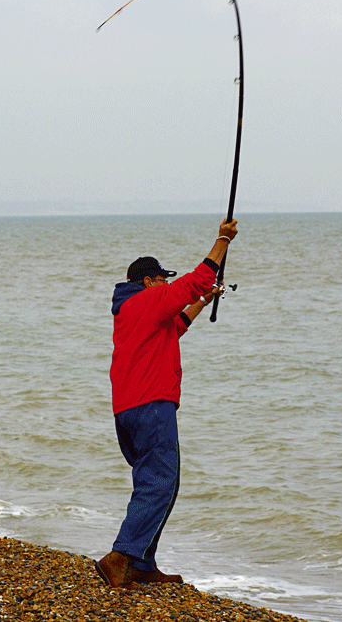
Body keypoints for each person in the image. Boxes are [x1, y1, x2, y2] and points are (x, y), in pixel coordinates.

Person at [94, 218, 238, 588]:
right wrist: (222, 241)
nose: (165, 285)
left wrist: (205, 301)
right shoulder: (148, 298)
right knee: (160, 482)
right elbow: (194, 281)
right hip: (151, 404)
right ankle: (122, 555)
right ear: (148, 281)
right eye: (162, 279)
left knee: (152, 480)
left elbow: (178, 324)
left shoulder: (132, 311)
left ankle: (141, 565)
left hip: (127, 410)